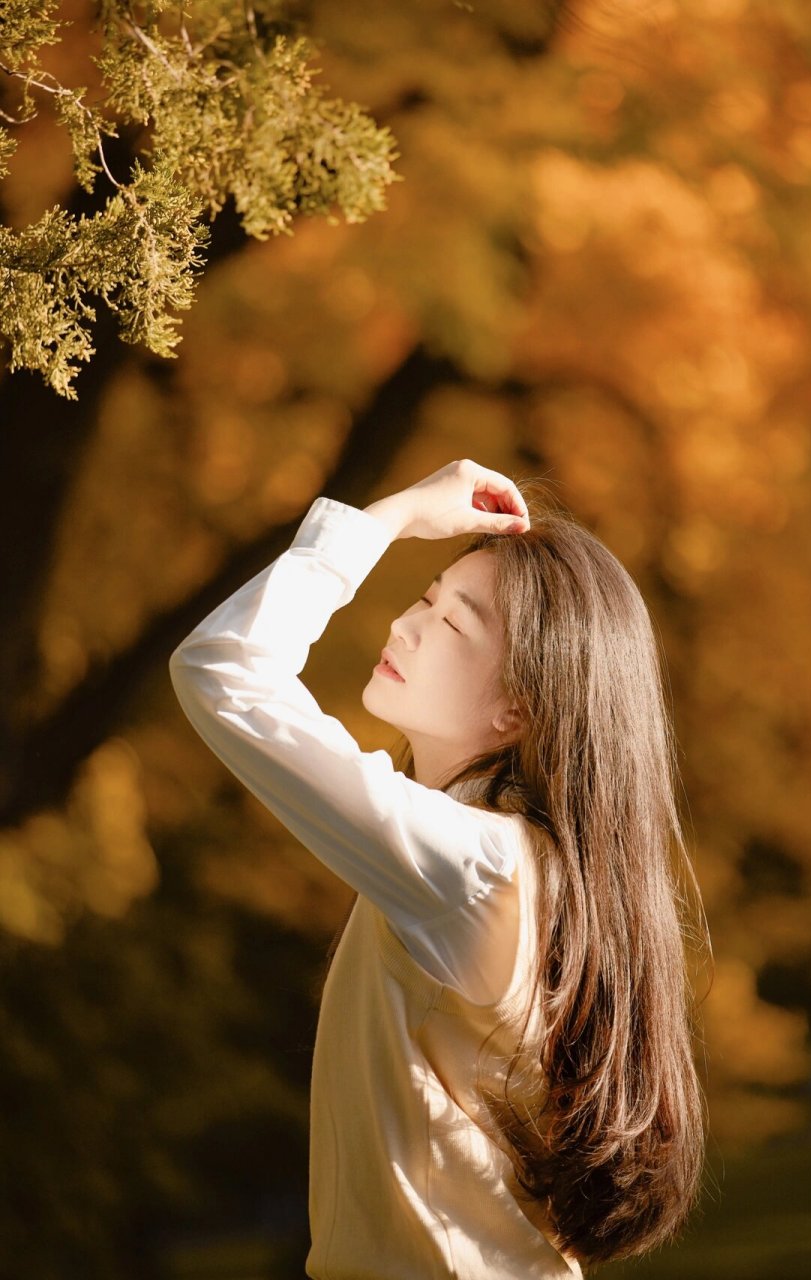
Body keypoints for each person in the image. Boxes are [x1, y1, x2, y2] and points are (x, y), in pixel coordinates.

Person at [169, 458, 710, 1279]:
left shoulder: (476, 867)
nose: (405, 627)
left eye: (453, 625)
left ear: (520, 707)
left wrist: (391, 516)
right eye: (424, 598)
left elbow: (222, 670)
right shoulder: (515, 864)